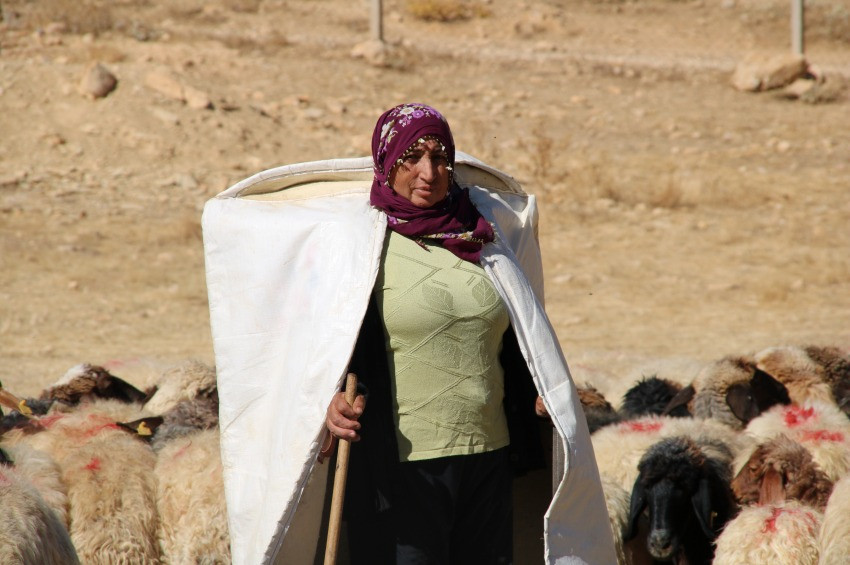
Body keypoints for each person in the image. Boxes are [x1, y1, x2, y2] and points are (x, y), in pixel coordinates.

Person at [203, 101, 617, 565]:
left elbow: (517, 329)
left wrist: (539, 389)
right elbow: (318, 340)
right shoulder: (360, 244)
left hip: (488, 459)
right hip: (399, 470)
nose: (428, 172)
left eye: (440, 158)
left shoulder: (480, 234)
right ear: (387, 161)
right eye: (411, 157)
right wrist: (326, 399)